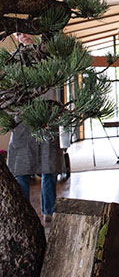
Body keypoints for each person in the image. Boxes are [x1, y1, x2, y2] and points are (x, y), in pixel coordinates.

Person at [7, 32, 65, 225]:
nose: (22, 36)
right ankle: (25, 215)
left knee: (50, 167)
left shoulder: (50, 55)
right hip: (22, 119)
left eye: (25, 31)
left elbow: (60, 74)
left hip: (47, 116)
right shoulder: (12, 60)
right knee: (20, 169)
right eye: (18, 33)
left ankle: (49, 211)